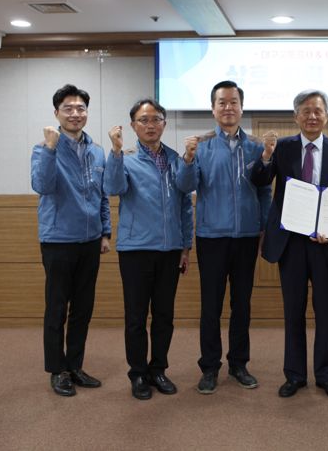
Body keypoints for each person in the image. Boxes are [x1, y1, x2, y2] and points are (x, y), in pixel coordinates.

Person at [250, 89, 328, 399]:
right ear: (296, 116)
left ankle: (326, 375)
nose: (312, 116)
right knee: (293, 311)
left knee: (326, 311)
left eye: (318, 111)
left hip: (326, 244)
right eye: (306, 111)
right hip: (291, 243)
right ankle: (294, 375)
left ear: (327, 116)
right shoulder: (282, 148)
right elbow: (259, 180)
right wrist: (266, 156)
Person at [179, 80, 272, 394]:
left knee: (242, 305)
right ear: (213, 108)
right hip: (212, 236)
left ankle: (239, 364)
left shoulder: (257, 146)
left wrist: (264, 230)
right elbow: (186, 185)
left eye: (233, 102)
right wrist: (188, 158)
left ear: (241, 107)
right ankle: (209, 367)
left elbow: (264, 192)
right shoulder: (201, 145)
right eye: (222, 102)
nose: (228, 107)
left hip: (246, 236)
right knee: (211, 306)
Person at [104, 99, 194, 400]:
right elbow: (113, 188)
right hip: (136, 249)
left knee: (165, 315)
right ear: (133, 126)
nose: (150, 125)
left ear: (164, 124)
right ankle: (138, 373)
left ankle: (158, 369)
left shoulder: (175, 159)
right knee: (136, 317)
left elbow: (184, 205)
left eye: (156, 119)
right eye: (143, 120)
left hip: (170, 250)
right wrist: (115, 151)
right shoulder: (125, 158)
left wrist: (185, 246)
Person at [31, 84, 111, 397]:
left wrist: (105, 232)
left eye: (80, 108)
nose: (75, 114)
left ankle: (75, 365)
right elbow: (42, 185)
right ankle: (57, 370)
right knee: (56, 308)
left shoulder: (97, 151)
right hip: (58, 240)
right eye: (68, 108)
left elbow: (102, 194)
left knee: (83, 308)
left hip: (90, 241)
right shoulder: (43, 148)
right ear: (57, 113)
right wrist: (51, 149)